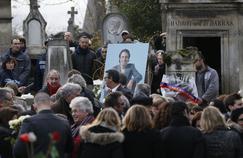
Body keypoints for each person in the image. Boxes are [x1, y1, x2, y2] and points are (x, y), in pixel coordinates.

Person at [13, 92, 73, 158]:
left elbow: (19, 150)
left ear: (34, 105)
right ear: (50, 103)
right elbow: (69, 148)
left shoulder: (30, 122)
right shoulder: (64, 122)